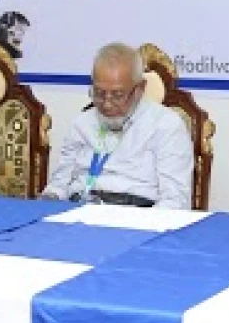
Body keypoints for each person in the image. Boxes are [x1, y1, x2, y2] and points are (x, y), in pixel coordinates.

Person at [43, 42, 193, 209]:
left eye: (118, 95)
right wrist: (50, 199)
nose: (107, 104)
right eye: (99, 93)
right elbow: (59, 184)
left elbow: (175, 201)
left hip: (137, 214)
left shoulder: (166, 126)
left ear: (140, 88)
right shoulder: (82, 123)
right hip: (79, 209)